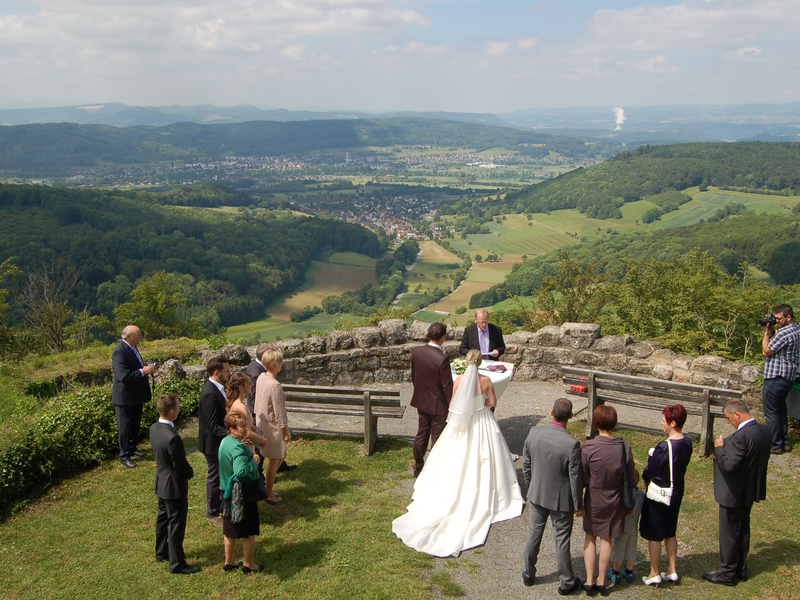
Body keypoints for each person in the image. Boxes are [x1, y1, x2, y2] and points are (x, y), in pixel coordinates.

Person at [392, 349, 523, 557]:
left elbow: (453, 403)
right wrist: (481, 405)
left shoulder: (460, 379)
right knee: (488, 457)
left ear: (466, 362)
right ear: (479, 363)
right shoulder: (487, 380)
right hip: (481, 421)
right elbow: (493, 403)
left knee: (452, 455)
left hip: (462, 423)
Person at [702, 399, 771, 587]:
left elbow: (729, 465)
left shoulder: (741, 437)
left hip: (733, 493)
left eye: (729, 417)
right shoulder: (764, 431)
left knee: (729, 534)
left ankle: (727, 573)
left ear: (737, 414)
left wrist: (719, 448)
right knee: (743, 531)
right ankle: (740, 568)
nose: (729, 421)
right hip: (749, 490)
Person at [521, 398, 584, 596]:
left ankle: (528, 573)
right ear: (571, 417)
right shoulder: (572, 444)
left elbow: (526, 463)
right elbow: (575, 478)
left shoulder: (534, 432)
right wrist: (578, 504)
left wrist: (531, 486)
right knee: (562, 539)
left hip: (537, 493)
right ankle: (566, 580)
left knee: (534, 534)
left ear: (551, 412)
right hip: (560, 500)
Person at [581, 405, 639, 595]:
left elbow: (582, 477)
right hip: (615, 499)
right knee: (607, 539)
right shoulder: (624, 446)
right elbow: (632, 476)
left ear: (596, 423)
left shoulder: (589, 447)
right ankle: (601, 580)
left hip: (594, 498)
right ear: (614, 423)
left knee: (590, 536)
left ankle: (589, 580)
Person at [639, 404, 693, 586]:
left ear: (672, 422)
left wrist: (646, 476)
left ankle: (654, 572)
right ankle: (672, 569)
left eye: (664, 420)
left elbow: (652, 469)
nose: (662, 423)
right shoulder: (687, 442)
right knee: (670, 531)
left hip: (660, 493)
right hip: (677, 490)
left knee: (654, 532)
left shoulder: (665, 446)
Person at [150, 394, 200, 575]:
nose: (179, 409)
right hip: (174, 486)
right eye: (178, 407)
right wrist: (191, 473)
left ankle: (161, 551)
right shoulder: (172, 437)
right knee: (176, 524)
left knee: (162, 519)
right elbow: (180, 464)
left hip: (161, 482)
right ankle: (177, 563)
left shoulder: (154, 428)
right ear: (171, 412)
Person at [219, 410, 264, 573]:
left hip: (226, 490)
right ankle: (249, 563)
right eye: (242, 426)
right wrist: (254, 461)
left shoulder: (225, 442)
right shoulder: (239, 448)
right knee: (249, 530)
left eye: (246, 425)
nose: (246, 429)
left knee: (230, 529)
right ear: (232, 429)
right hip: (243, 492)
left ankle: (229, 561)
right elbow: (240, 471)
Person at [409, 322, 454, 477]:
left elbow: (414, 375)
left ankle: (418, 467)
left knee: (421, 434)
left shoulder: (417, 351)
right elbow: (447, 386)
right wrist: (451, 405)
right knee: (437, 438)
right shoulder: (442, 359)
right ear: (443, 337)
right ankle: (434, 471)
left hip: (422, 400)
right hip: (438, 405)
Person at [245, 343, 296, 473]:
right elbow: (257, 398)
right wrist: (286, 429)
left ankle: (271, 472)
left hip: (261, 416)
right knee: (268, 454)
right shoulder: (262, 376)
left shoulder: (260, 373)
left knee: (277, 454)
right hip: (267, 419)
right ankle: (262, 480)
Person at [112, 325, 156, 469]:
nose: (141, 337)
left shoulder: (133, 348)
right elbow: (124, 376)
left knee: (135, 424)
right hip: (124, 397)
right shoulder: (119, 352)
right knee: (124, 427)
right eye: (138, 334)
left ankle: (132, 447)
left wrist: (144, 367)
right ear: (128, 336)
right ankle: (124, 455)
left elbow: (135, 366)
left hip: (136, 395)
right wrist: (143, 371)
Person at [761, 304, 800, 455]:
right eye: (775, 319)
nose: (777, 321)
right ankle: (786, 442)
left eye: (779, 319)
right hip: (788, 377)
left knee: (771, 411)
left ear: (788, 317)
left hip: (776, 377)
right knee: (780, 409)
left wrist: (766, 334)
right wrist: (771, 330)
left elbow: (767, 351)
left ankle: (775, 444)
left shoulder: (784, 333)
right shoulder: (796, 329)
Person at [254, 350, 291, 504]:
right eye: (280, 362)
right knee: (276, 458)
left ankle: (267, 485)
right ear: (276, 365)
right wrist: (286, 430)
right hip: (272, 425)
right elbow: (279, 411)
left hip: (261, 422)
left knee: (281, 455)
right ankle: (269, 493)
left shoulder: (261, 377)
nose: (282, 364)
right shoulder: (275, 385)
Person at [198, 356, 231, 526]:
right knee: (214, 476)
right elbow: (211, 425)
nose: (229, 373)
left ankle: (220, 504)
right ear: (216, 372)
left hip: (217, 441)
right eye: (226, 371)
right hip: (212, 443)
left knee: (219, 475)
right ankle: (211, 512)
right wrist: (231, 435)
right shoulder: (209, 393)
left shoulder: (217, 388)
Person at [225, 372, 268, 457]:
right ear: (241, 387)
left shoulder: (236, 402)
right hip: (245, 446)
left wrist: (255, 428)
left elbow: (241, 424)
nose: (252, 385)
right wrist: (264, 440)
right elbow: (247, 432)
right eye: (248, 383)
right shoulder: (241, 407)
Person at [608, 488, 644, 586]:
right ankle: (629, 571)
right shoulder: (641, 494)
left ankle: (615, 572)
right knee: (632, 548)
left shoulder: (623, 494)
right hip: (633, 526)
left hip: (622, 527)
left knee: (619, 549)